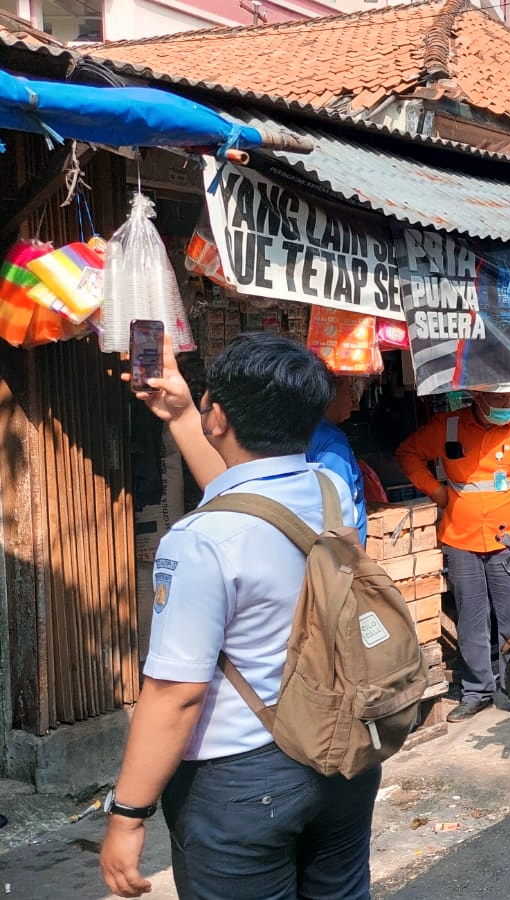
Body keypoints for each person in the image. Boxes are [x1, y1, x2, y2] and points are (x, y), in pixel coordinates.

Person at [101, 333, 369, 900]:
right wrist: (179, 414)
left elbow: (176, 695)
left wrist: (127, 814)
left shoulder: (198, 542)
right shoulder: (328, 492)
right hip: (343, 755)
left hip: (243, 782)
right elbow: (248, 495)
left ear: (217, 416)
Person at [397, 390, 510, 723]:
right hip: (461, 539)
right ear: (476, 397)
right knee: (470, 620)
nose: (507, 406)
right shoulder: (447, 426)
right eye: (499, 401)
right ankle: (477, 692)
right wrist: (436, 491)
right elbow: (408, 453)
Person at [308, 375, 369, 543]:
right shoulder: (333, 443)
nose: (353, 397)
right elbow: (338, 507)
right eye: (348, 389)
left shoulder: (307, 430)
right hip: (341, 553)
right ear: (330, 395)